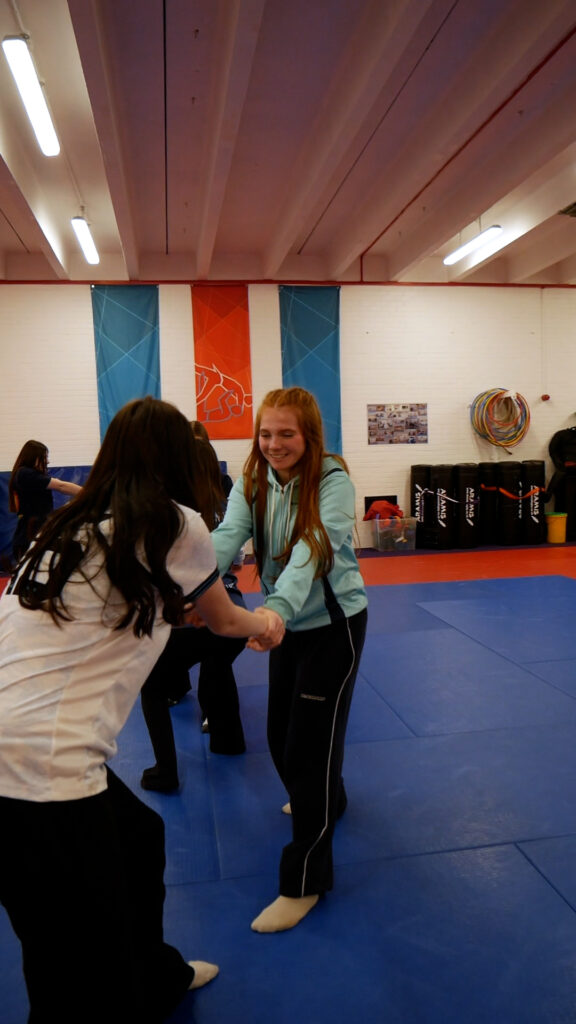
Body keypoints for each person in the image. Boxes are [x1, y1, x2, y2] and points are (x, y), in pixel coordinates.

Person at [0, 397, 284, 1023]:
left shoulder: (67, 524)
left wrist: (168, 608)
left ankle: (159, 975)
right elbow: (226, 619)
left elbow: (101, 605)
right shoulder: (173, 523)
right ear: (178, 458)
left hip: (18, 748)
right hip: (38, 771)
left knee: (138, 837)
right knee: (73, 963)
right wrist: (266, 622)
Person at [210, 386, 368, 933]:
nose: (274, 444)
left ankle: (305, 881)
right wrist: (188, 578)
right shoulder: (253, 480)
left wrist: (274, 608)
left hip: (333, 627)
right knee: (280, 737)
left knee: (308, 749)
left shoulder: (332, 481)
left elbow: (314, 547)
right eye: (266, 433)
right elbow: (229, 535)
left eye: (287, 434)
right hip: (287, 629)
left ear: (309, 435)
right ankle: (329, 796)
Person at [140, 436, 248, 794]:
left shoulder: (168, 513)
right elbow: (237, 561)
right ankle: (228, 739)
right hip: (232, 611)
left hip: (194, 614)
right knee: (218, 663)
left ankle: (165, 771)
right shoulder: (224, 504)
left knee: (151, 685)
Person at [9, 439, 83, 561]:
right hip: (30, 535)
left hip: (36, 531)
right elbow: (61, 486)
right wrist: (88, 492)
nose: (47, 461)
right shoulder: (26, 474)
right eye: (44, 457)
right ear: (34, 457)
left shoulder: (26, 474)